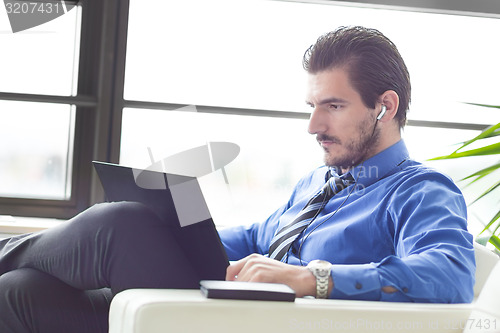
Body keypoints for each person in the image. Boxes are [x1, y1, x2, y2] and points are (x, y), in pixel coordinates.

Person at [0, 26, 474, 332]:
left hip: (263, 325)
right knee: (20, 292)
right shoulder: (317, 184)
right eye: (313, 107)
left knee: (122, 226)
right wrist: (183, 234)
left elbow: (450, 273)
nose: (314, 126)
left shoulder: (421, 191)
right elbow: (254, 237)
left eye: (333, 106)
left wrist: (312, 278)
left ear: (384, 106)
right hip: (220, 311)